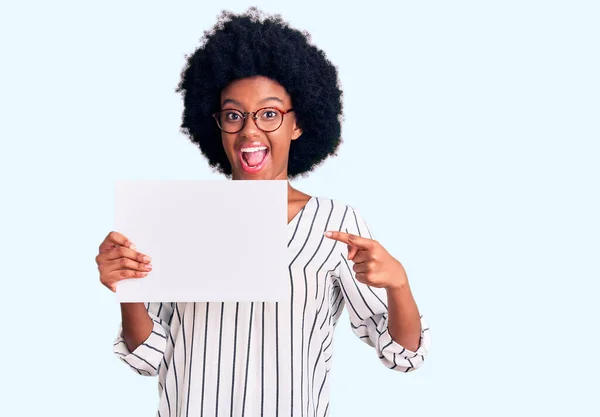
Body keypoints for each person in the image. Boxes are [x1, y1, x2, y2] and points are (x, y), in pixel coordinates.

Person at [95, 8, 431, 417]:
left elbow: (403, 354)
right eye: (233, 115)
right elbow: (148, 357)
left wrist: (399, 284)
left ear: (298, 123)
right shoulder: (179, 219)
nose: (250, 131)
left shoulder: (336, 224)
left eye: (269, 113)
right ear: (215, 124)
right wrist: (127, 290)